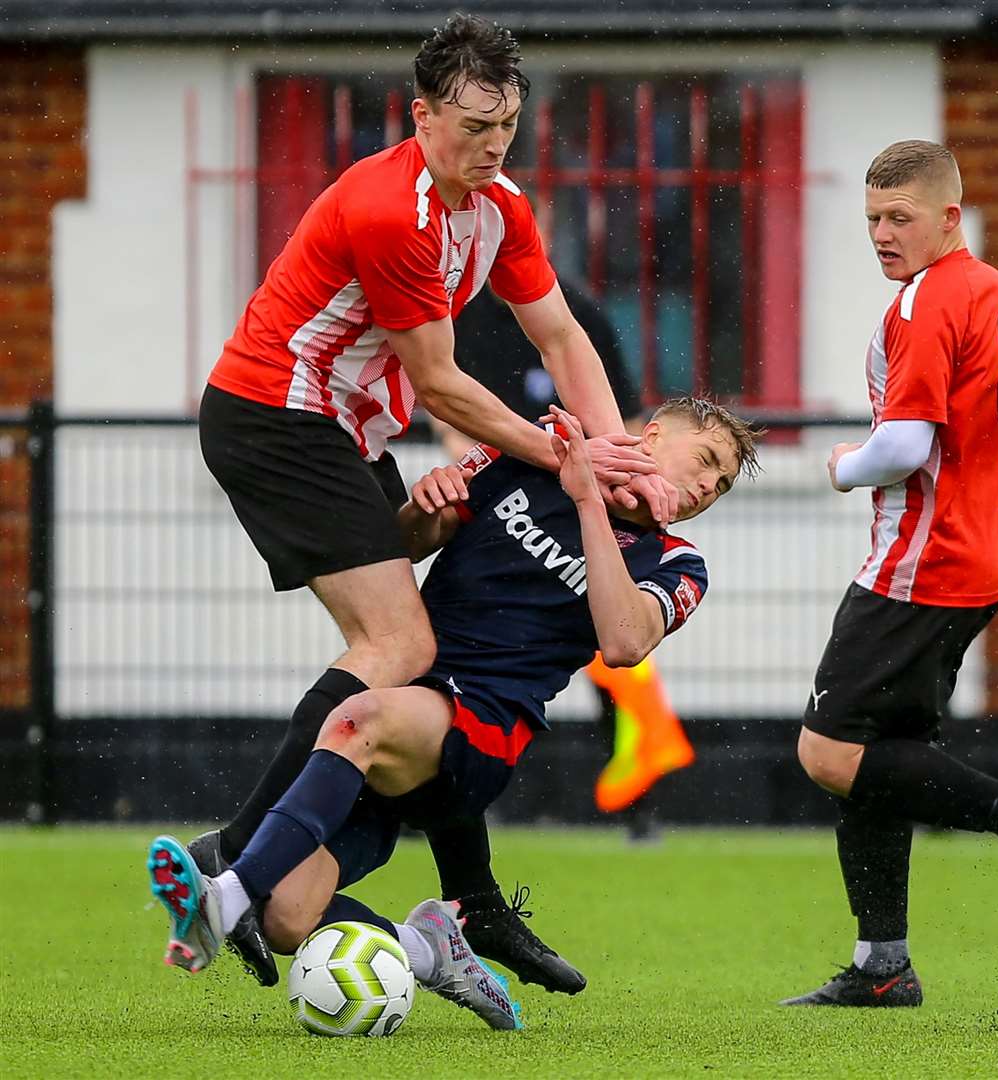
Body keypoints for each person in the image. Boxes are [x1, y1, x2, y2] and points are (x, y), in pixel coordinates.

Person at [189, 13, 678, 992]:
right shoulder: (390, 209)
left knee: (426, 650)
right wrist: (565, 459)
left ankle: (446, 919)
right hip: (278, 417)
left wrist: (614, 449)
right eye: (472, 127)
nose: (492, 148)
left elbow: (563, 338)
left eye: (507, 128)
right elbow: (445, 386)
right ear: (420, 115)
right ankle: (234, 857)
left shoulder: (500, 207)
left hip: (346, 430)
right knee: (403, 650)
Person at [146, 398, 761, 1030]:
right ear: (650, 436)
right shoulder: (525, 460)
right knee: (287, 917)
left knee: (357, 718)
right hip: (407, 709)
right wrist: (426, 509)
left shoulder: (677, 562)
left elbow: (625, 642)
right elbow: (404, 548)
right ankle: (428, 948)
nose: (708, 487)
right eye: (707, 460)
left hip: (482, 731)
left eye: (721, 485)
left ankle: (224, 896)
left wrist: (588, 502)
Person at [781, 140, 998, 1009]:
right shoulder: (994, 289)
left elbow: (902, 446)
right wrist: (987, 488)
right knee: (881, 755)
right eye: (872, 219)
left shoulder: (923, 302)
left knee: (829, 751)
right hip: (972, 561)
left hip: (915, 569)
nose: (881, 234)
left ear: (947, 217)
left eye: (898, 218)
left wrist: (833, 465)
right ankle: (883, 964)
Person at [447, 282, 697, 829]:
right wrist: (469, 470)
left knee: (620, 664)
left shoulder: (579, 313)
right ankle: (466, 796)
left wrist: (618, 493)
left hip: (592, 499)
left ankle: (638, 799)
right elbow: (442, 398)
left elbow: (624, 420)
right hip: (513, 483)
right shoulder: (461, 313)